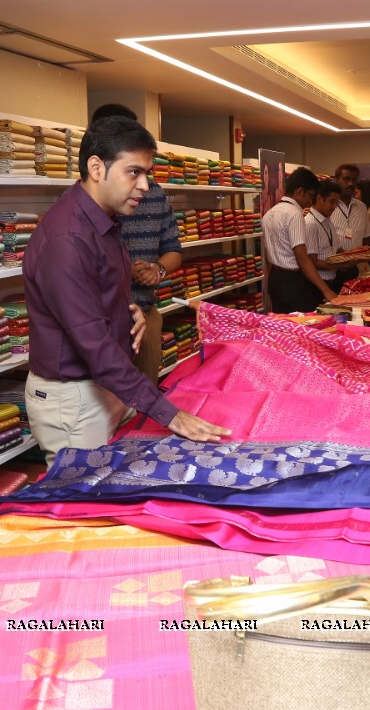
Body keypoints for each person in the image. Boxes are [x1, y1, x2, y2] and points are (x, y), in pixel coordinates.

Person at [24, 116, 229, 462]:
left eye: (146, 173)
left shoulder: (104, 224)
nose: (145, 186)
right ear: (96, 168)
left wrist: (125, 314)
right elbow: (91, 342)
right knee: (87, 504)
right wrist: (170, 414)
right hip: (76, 396)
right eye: (134, 172)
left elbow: (94, 299)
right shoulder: (68, 239)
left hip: (102, 386)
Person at [91, 103, 183, 385]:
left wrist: (157, 270)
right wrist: (124, 269)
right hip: (99, 322)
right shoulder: (86, 201)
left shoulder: (152, 194)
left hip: (145, 313)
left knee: (144, 398)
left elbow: (173, 250)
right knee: (104, 404)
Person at [262, 167, 333, 312]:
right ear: (299, 191)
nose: (311, 201)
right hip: (293, 280)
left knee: (282, 326)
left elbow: (266, 253)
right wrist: (326, 290)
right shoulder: (295, 214)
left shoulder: (269, 213)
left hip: (275, 278)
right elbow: (302, 257)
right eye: (310, 196)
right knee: (303, 325)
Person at [329, 163, 370, 290]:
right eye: (346, 179)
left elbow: (367, 238)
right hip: (332, 270)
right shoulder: (328, 207)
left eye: (354, 180)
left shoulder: (362, 207)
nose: (351, 184)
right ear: (336, 180)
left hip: (356, 269)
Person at [305, 180, 342, 291]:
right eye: (332, 202)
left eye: (336, 203)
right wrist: (341, 265)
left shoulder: (328, 220)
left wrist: (355, 255)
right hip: (317, 285)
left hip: (333, 279)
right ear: (320, 198)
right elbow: (313, 262)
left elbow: (337, 249)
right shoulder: (310, 223)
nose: (335, 206)